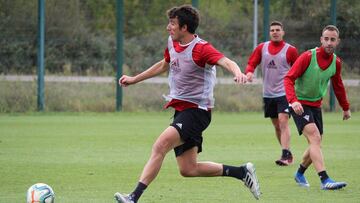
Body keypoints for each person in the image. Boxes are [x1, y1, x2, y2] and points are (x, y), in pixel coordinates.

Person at [114, 5, 260, 203]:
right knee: (188, 169)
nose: (168, 27)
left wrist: (238, 73)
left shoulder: (201, 49)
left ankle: (133, 197)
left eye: (172, 24)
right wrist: (135, 79)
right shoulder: (173, 43)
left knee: (160, 146)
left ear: (184, 28)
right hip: (182, 110)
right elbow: (164, 64)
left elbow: (226, 61)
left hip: (197, 112)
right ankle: (242, 172)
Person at [284, 25, 351, 190]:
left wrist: (345, 107)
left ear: (337, 42)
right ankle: (325, 180)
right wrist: (294, 101)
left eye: (332, 39)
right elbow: (288, 78)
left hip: (315, 105)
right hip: (299, 104)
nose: (329, 42)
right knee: (315, 138)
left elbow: (338, 86)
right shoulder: (307, 57)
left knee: (316, 142)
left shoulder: (336, 62)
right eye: (326, 39)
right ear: (321, 39)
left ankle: (299, 173)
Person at [245, 21, 298, 166]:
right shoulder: (262, 47)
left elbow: (299, 68)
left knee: (283, 121)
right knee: (276, 125)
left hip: (284, 93)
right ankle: (287, 151)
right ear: (270, 33)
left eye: (278, 30)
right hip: (268, 94)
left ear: (283, 32)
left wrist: (296, 88)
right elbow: (252, 63)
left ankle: (285, 155)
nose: (275, 32)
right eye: (272, 30)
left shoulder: (290, 50)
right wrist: (249, 73)